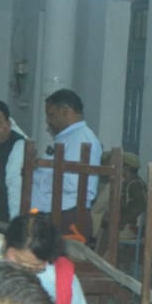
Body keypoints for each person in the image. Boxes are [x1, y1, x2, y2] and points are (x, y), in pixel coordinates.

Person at [31, 89, 102, 238]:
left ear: (66, 111)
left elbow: (73, 182)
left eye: (51, 115)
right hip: (56, 213)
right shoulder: (68, 138)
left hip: (67, 216)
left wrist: (39, 179)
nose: (48, 121)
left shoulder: (81, 139)